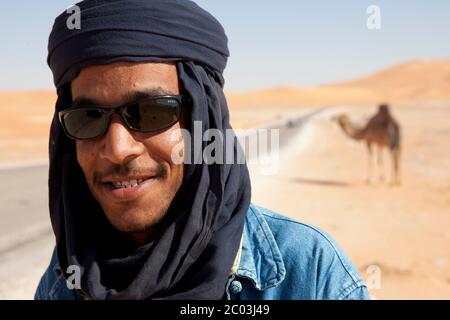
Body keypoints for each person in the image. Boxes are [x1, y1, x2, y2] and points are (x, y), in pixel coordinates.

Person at [35, 0, 370, 300]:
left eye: (151, 112)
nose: (118, 149)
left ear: (204, 120)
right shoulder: (65, 279)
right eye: (88, 118)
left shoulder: (307, 274)